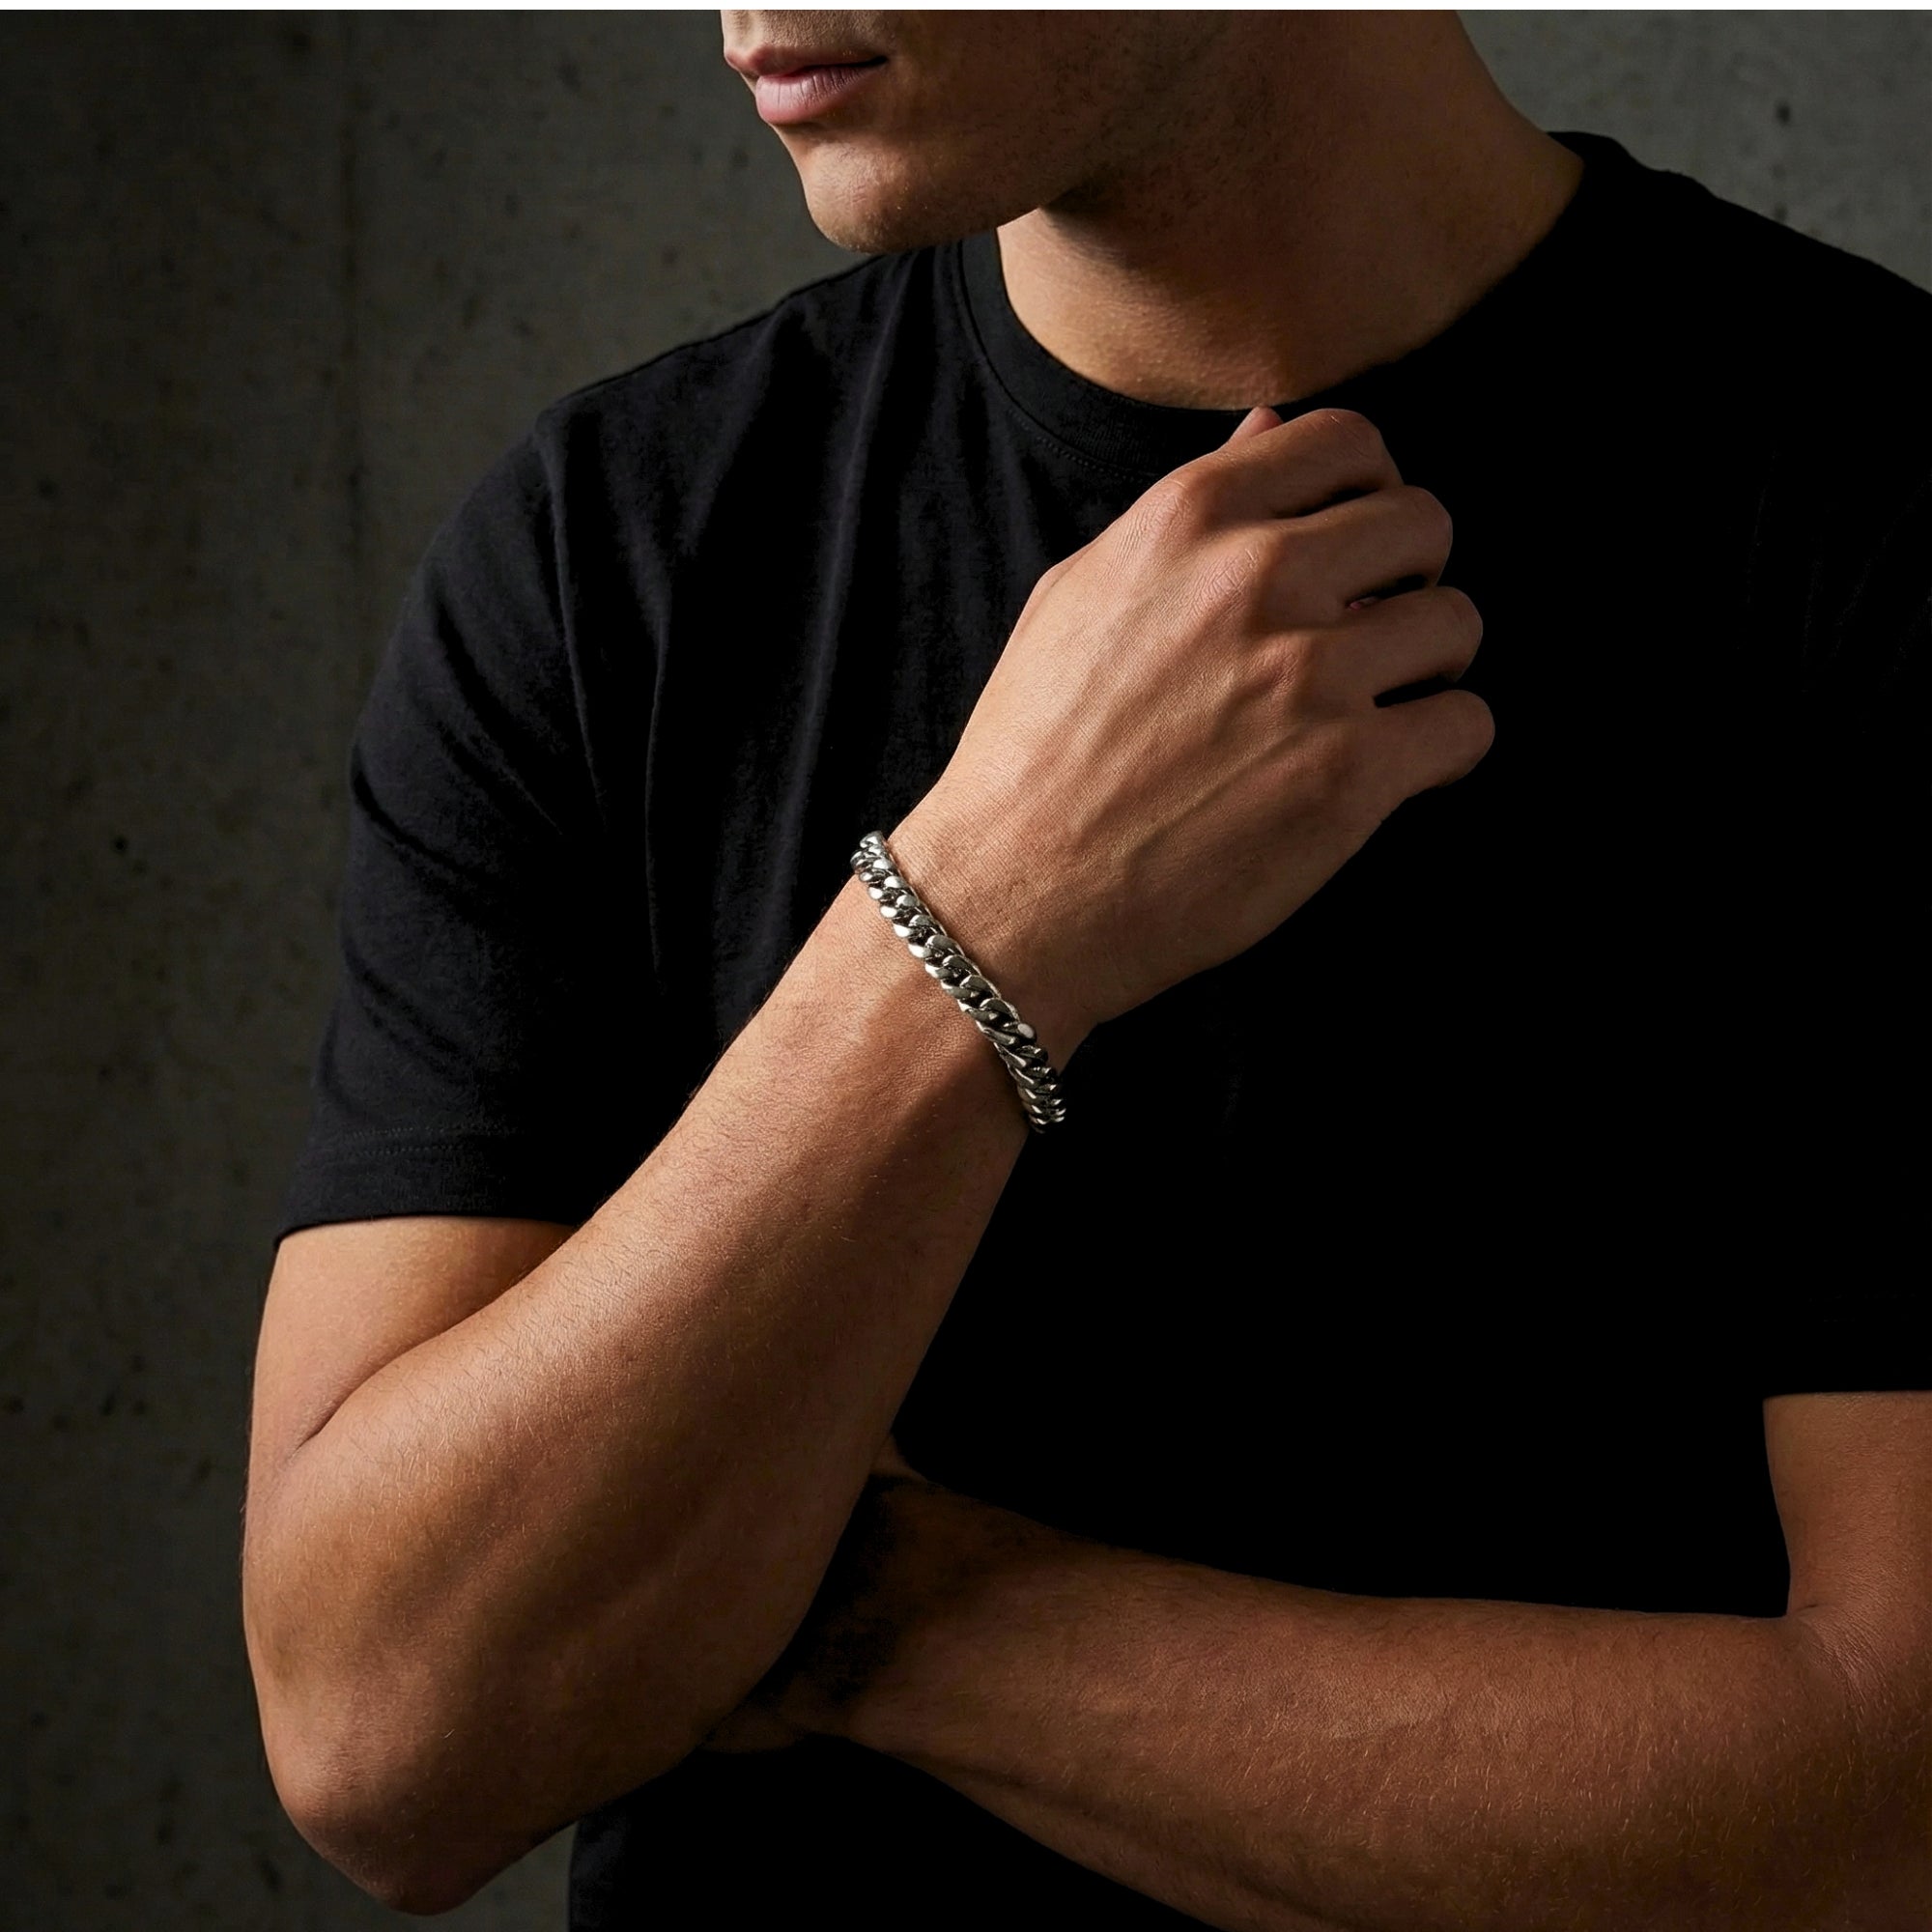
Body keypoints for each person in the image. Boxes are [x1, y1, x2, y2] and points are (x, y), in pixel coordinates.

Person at [242, 13, 1932, 1927]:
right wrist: (982, 918)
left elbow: (1892, 1803)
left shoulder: (1878, 526)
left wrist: (872, 1610)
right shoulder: (601, 556)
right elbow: (386, 1737)